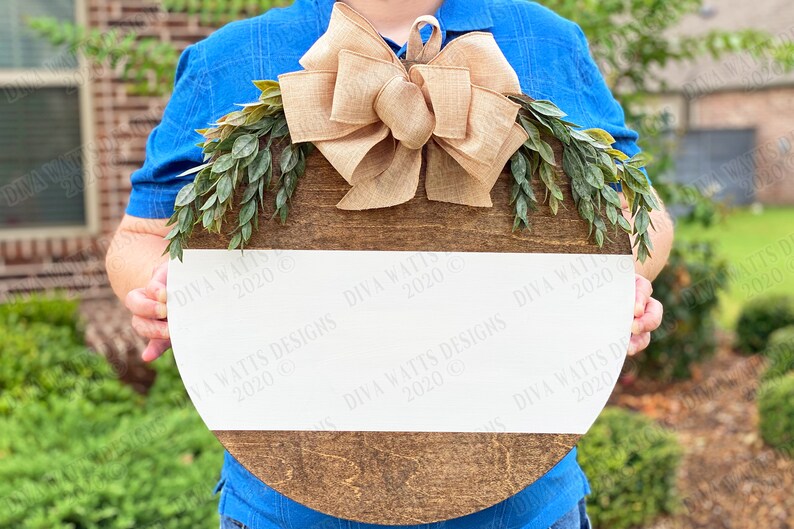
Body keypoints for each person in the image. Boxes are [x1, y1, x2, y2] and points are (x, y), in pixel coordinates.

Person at [107, 0, 674, 528]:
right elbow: (141, 236)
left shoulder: (546, 42)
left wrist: (618, 283)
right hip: (287, 502)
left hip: (522, 502)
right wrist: (162, 289)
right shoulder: (231, 58)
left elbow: (639, 217)